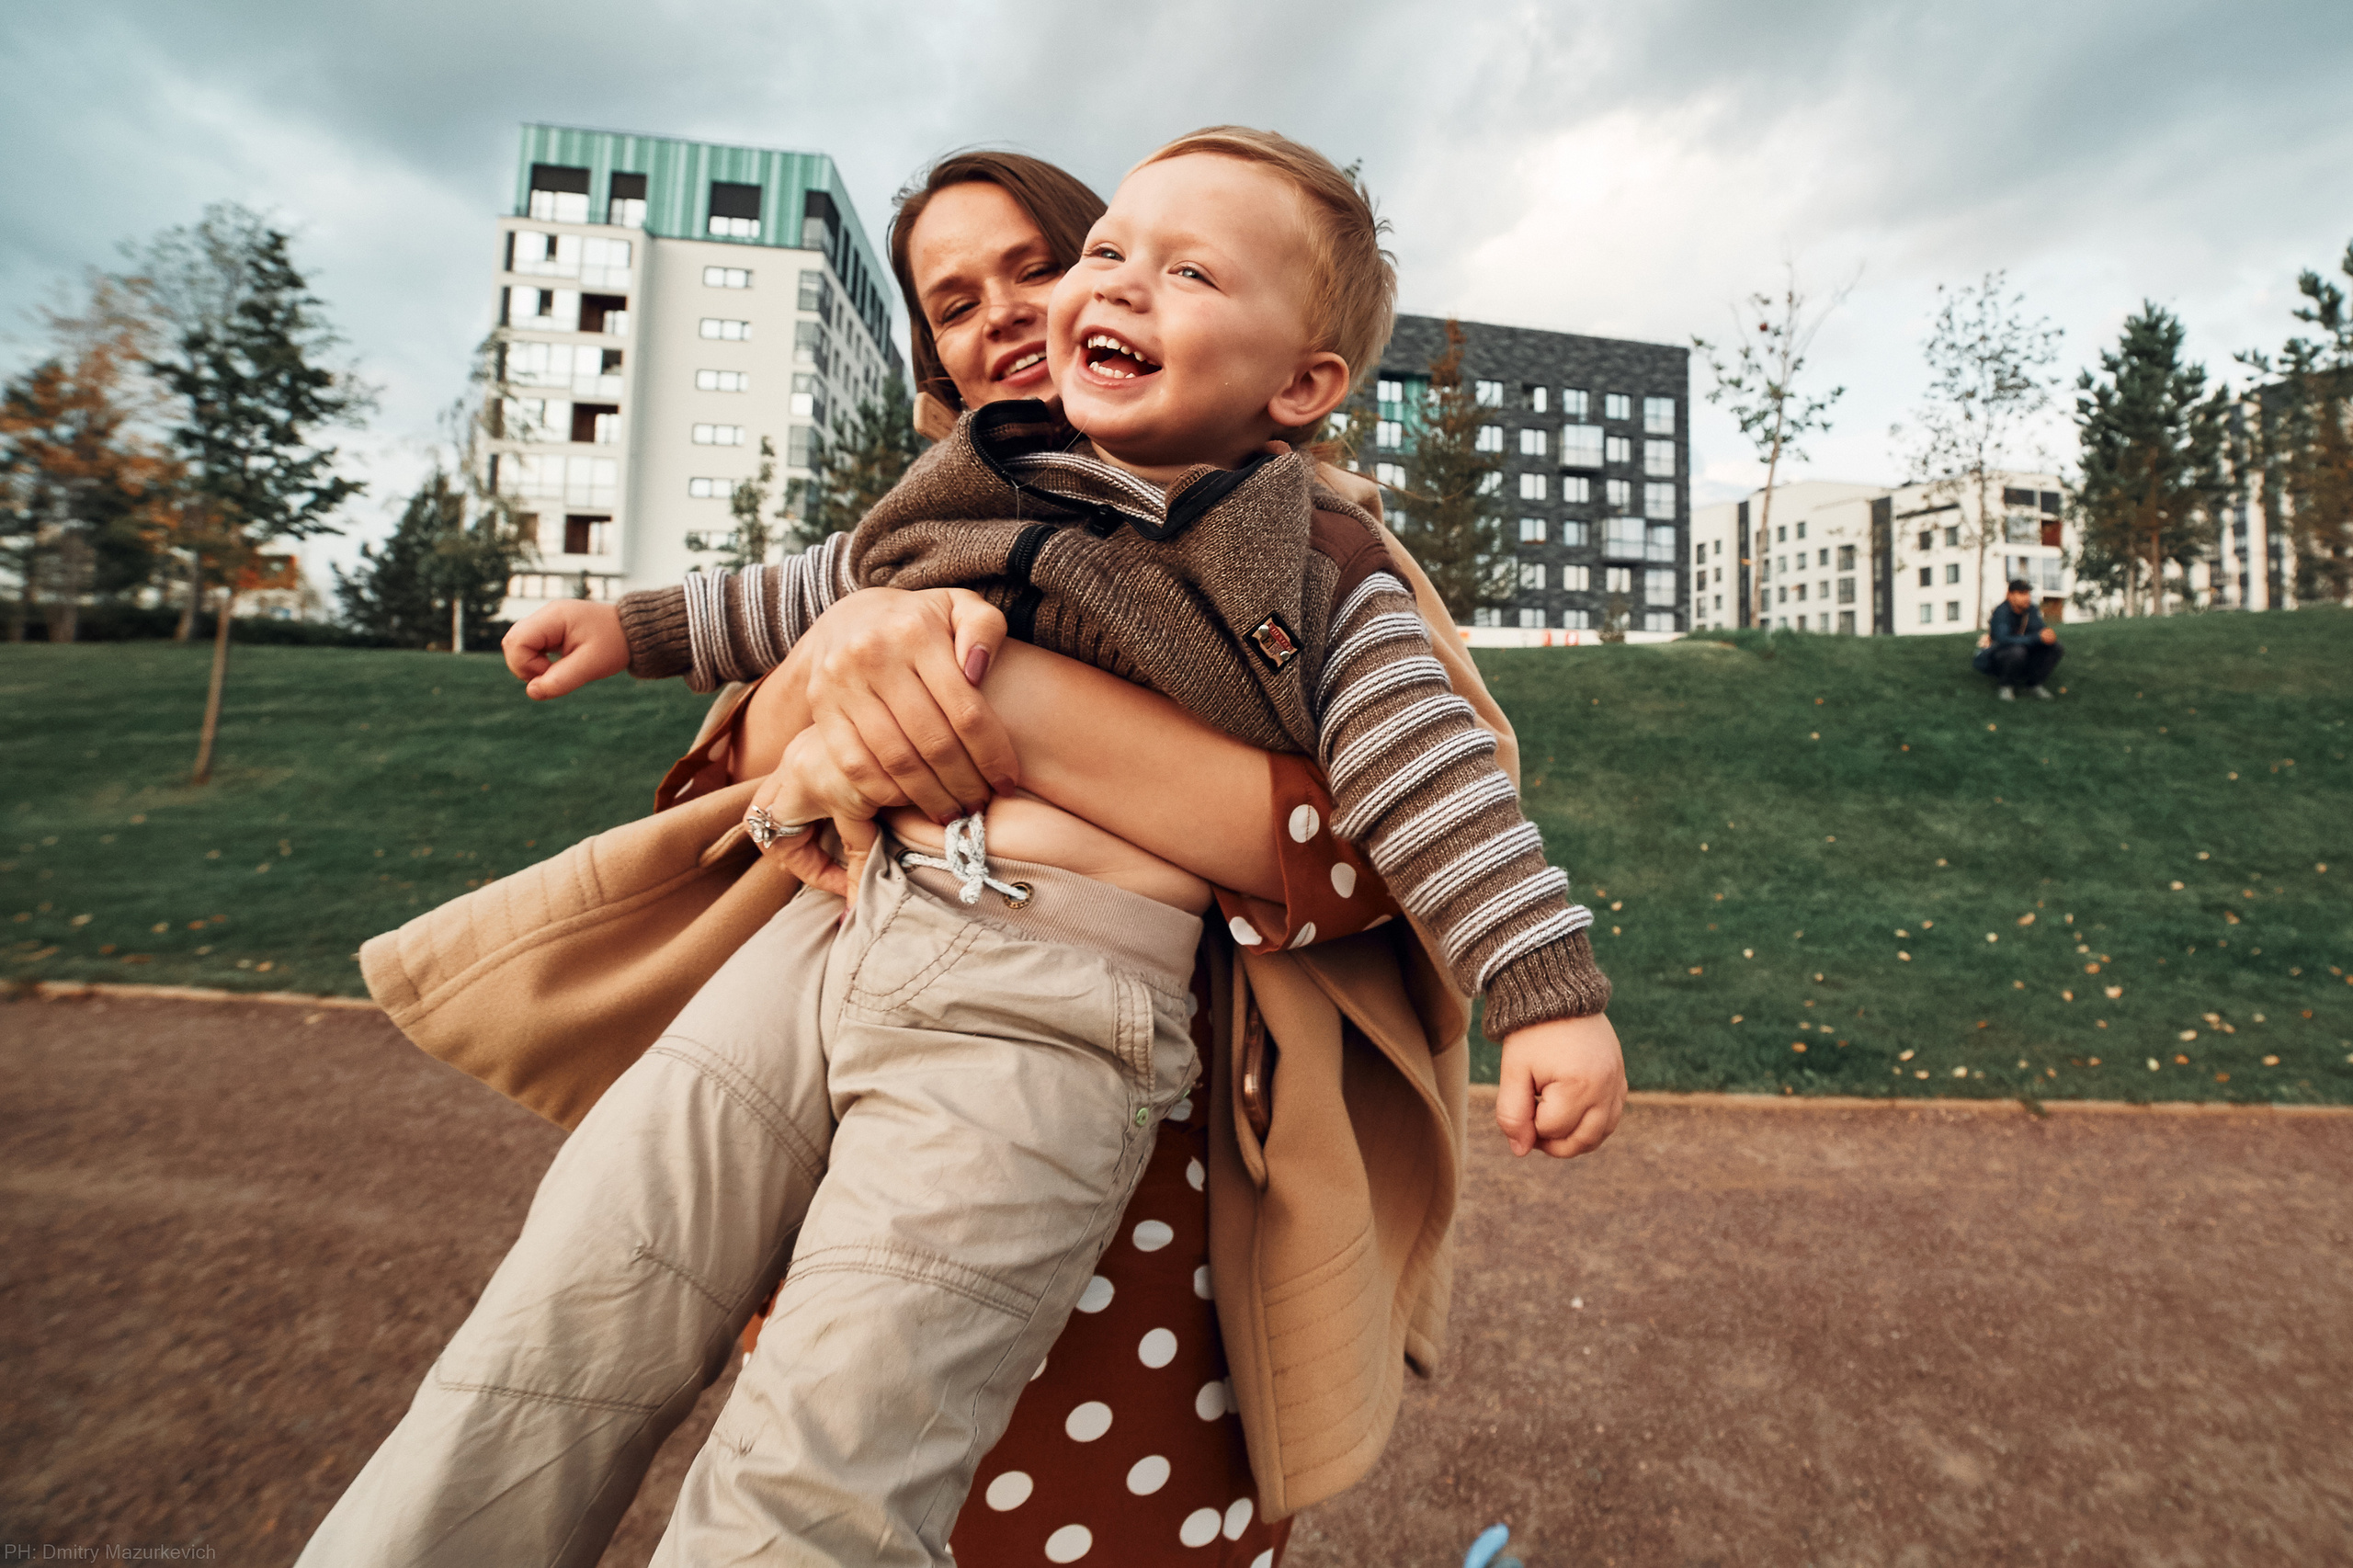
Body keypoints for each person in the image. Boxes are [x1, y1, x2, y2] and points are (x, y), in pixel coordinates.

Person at [306, 137, 1614, 1568]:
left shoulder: (1313, 557)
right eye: (958, 295)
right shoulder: (968, 489)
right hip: (824, 946)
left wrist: (1543, 987)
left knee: (827, 1477)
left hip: (1069, 1042)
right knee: (575, 1303)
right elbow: (798, 609)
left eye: (1051, 265)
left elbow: (1419, 795)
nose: (1027, 307)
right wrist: (642, 629)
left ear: (1296, 381)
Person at [1973, 577, 2063, 699]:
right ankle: (2005, 686)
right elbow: (2003, 639)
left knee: (2056, 648)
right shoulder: (2001, 612)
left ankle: (2034, 684)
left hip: (2024, 653)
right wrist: (2035, 638)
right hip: (1998, 657)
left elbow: (2039, 630)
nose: (2026, 597)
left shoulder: (2031, 610)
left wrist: (2047, 636)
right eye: (2021, 593)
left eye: (2027, 593)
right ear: (2010, 595)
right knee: (2017, 651)